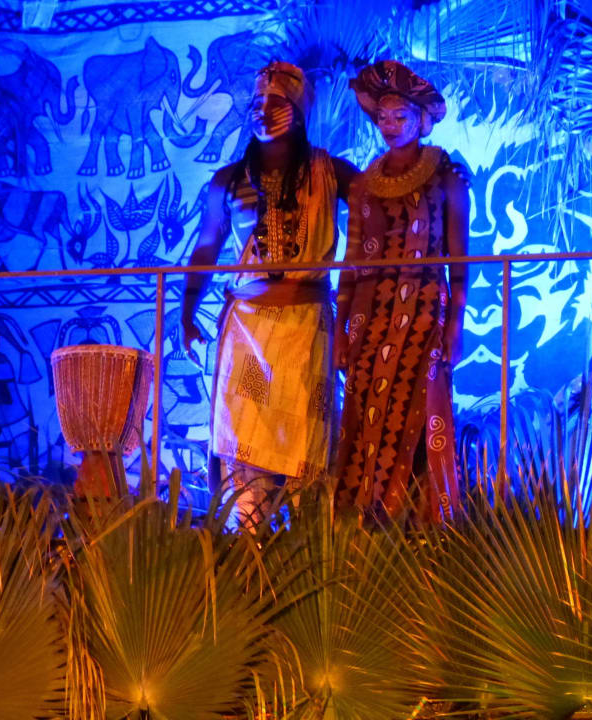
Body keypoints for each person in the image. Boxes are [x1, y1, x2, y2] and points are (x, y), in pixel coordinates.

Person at [181, 62, 356, 529]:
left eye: (276, 103)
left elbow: (380, 200)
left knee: (303, 444)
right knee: (246, 440)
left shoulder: (330, 172)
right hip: (248, 329)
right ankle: (249, 550)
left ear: (298, 112)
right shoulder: (228, 180)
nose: (262, 111)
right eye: (256, 103)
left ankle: (306, 548)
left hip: (306, 327)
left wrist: (437, 177)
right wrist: (186, 314)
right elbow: (206, 247)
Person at [334, 60, 468, 523]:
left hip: (425, 309)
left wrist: (455, 325)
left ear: (421, 119)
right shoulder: (364, 185)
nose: (389, 126)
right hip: (370, 317)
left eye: (400, 117)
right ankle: (364, 522)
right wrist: (341, 330)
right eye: (382, 117)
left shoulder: (445, 176)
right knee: (365, 413)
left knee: (420, 411)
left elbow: (459, 260)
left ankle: (423, 525)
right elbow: (352, 262)